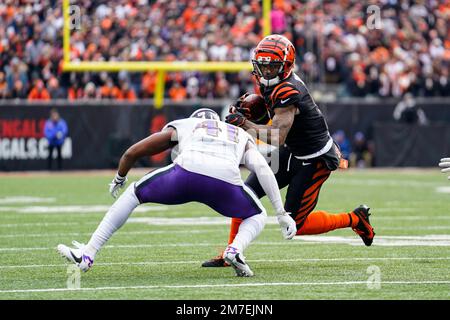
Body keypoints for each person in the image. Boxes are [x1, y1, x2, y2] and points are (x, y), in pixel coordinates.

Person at [57, 108, 296, 277]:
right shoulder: (239, 133)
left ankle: (88, 254)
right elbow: (262, 168)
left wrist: (120, 176)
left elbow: (133, 151)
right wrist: (281, 212)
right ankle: (234, 250)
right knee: (256, 215)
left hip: (185, 174)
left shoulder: (188, 124)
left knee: (133, 193)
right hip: (225, 182)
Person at [203, 34, 375, 267]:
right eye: (262, 65)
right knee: (243, 194)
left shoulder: (287, 90)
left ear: (285, 67)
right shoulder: (272, 84)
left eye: (272, 66)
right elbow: (275, 119)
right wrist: (255, 111)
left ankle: (355, 219)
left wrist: (245, 124)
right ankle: (230, 253)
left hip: (314, 159)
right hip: (291, 150)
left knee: (296, 224)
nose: (266, 71)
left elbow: (277, 136)